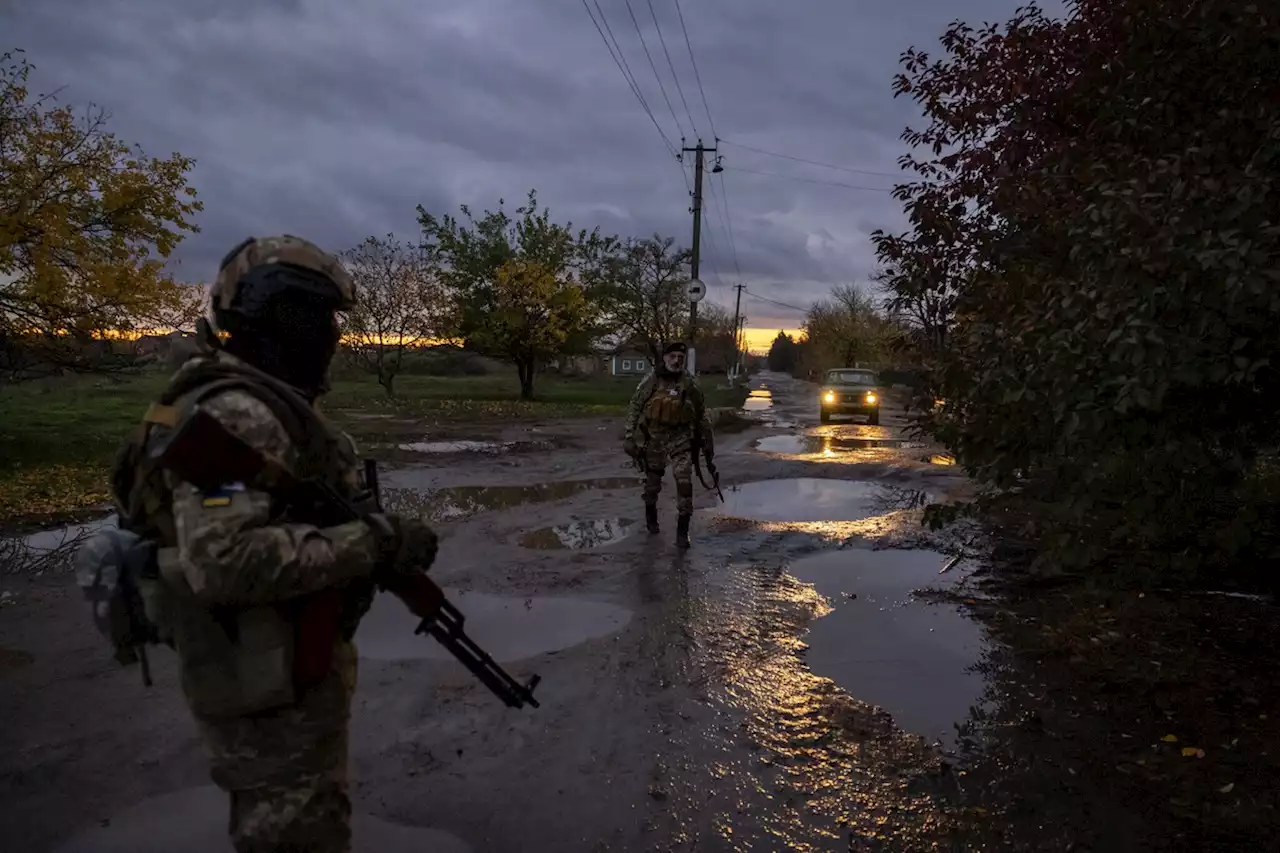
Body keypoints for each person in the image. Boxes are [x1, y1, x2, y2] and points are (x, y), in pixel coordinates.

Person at [107, 235, 438, 853]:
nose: (327, 335)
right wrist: (370, 545)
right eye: (311, 317)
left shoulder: (258, 403)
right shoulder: (240, 413)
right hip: (263, 683)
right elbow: (222, 563)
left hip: (280, 669)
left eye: (329, 319)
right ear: (266, 317)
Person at [622, 341, 715, 549]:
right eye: (672, 357)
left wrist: (708, 442)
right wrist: (629, 436)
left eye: (680, 358)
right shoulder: (652, 379)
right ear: (664, 358)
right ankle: (651, 517)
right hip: (655, 438)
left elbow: (701, 413)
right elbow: (635, 406)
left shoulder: (689, 383)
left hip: (680, 438)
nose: (676, 361)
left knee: (684, 481)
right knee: (653, 483)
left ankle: (683, 532)